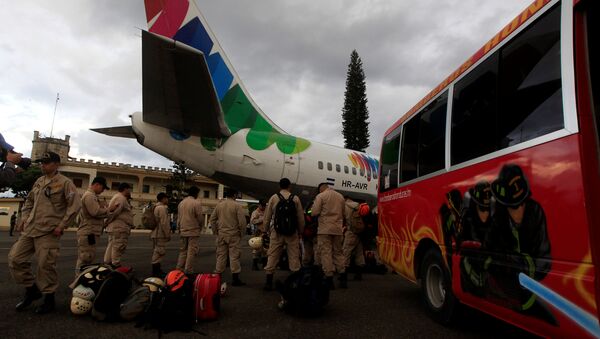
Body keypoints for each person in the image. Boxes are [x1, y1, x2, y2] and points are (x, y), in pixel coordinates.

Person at [8, 151, 81, 314]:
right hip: (31, 229)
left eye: (46, 163)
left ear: (56, 164)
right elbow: (29, 202)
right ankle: (32, 290)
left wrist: (62, 225)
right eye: (41, 162)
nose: (42, 165)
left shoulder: (65, 183)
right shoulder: (39, 181)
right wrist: (24, 217)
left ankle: (49, 299)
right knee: (15, 259)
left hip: (49, 231)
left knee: (45, 265)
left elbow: (74, 206)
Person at [262, 178, 305, 291]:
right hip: (292, 233)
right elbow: (300, 218)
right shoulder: (295, 198)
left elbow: (267, 216)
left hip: (277, 232)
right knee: (294, 257)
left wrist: (265, 230)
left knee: (273, 256)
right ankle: (295, 282)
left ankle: (268, 282)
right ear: (289, 186)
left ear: (279, 186)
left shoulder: (274, 197)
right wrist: (300, 231)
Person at [76, 176, 116, 272]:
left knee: (87, 258)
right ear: (97, 185)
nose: (102, 191)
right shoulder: (90, 195)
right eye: (102, 188)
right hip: (89, 232)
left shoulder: (92, 196)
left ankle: (81, 281)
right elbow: (95, 212)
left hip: (91, 231)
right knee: (85, 258)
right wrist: (108, 210)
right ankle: (79, 282)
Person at [209, 188, 247, 286]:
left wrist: (215, 232)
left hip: (221, 234)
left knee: (221, 256)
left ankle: (217, 276)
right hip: (233, 235)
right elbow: (242, 222)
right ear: (234, 195)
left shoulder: (219, 205)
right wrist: (242, 233)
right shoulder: (237, 206)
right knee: (234, 256)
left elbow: (212, 219)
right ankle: (235, 279)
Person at [312, 182, 346, 289]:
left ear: (321, 189)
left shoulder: (321, 196)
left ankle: (329, 278)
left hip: (325, 229)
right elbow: (344, 213)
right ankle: (343, 277)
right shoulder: (340, 196)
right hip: (337, 229)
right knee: (338, 253)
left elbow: (314, 212)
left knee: (326, 253)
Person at [103, 182, 133, 268]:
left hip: (116, 228)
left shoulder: (118, 197)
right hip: (119, 228)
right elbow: (114, 213)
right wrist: (106, 223)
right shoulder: (121, 198)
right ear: (125, 189)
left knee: (112, 246)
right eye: (129, 189)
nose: (130, 191)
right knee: (118, 247)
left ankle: (107, 266)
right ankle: (115, 267)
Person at [176, 186, 203, 274]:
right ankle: (188, 269)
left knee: (183, 250)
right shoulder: (196, 203)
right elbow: (200, 218)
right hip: (193, 230)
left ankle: (179, 268)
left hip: (183, 230)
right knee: (191, 251)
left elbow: (179, 217)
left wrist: (179, 228)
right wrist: (200, 226)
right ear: (196, 193)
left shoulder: (181, 203)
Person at [342, 196, 366, 282]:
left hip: (351, 232)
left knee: (346, 252)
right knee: (359, 253)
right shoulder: (358, 205)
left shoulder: (345, 206)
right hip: (359, 232)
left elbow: (343, 219)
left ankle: (343, 276)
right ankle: (359, 274)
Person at [150, 192, 170, 276]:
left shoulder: (155, 207)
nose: (167, 200)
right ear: (163, 199)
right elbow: (164, 223)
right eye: (166, 198)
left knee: (157, 251)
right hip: (160, 233)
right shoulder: (161, 208)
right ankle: (156, 271)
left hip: (155, 233)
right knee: (159, 252)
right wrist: (167, 234)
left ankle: (157, 270)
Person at [250, 200, 266, 270]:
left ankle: (264, 264)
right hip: (257, 232)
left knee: (265, 249)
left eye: (264, 205)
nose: (263, 207)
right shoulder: (255, 212)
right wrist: (261, 219)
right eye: (262, 205)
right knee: (256, 249)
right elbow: (252, 221)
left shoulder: (266, 211)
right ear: (259, 205)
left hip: (265, 232)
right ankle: (254, 265)